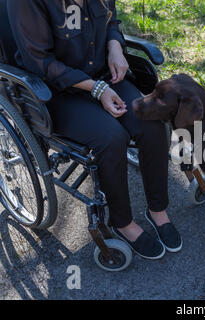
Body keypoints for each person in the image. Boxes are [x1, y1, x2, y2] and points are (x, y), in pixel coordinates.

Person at [7, 0, 182, 259]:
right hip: (54, 93)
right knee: (111, 138)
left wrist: (115, 47)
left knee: (151, 123)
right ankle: (123, 223)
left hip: (103, 74)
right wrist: (95, 89)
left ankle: (157, 210)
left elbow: (111, 20)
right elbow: (39, 62)